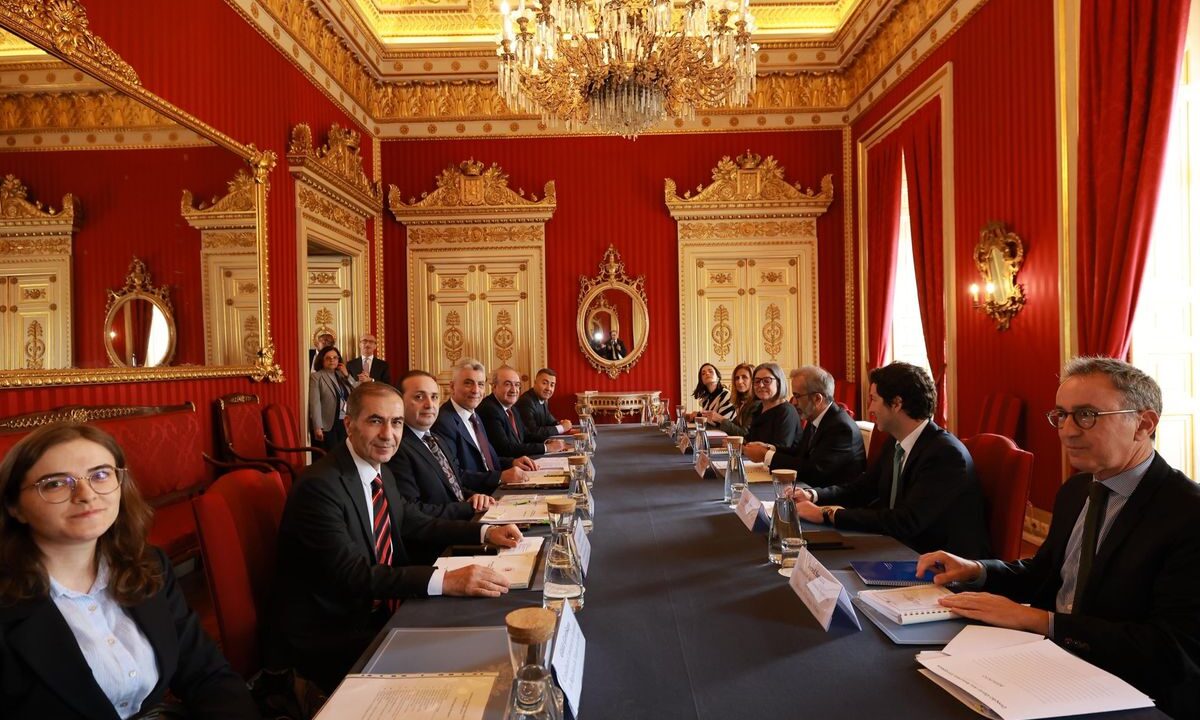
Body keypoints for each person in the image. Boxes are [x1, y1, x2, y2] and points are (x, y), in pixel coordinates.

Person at [917, 357, 1200, 718]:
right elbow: (1047, 573)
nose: (1067, 431)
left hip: (1135, 693)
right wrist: (977, 570)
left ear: (1143, 424)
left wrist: (1040, 621)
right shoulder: (1076, 490)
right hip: (1051, 663)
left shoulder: (1188, 513)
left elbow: (1173, 650)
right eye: (1061, 415)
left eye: (1087, 415)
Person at [268, 382, 524, 692]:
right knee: (472, 662)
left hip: (379, 607)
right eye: (376, 421)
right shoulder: (320, 486)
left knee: (490, 630)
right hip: (336, 629)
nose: (388, 434)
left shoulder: (378, 468)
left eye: (397, 422)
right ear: (349, 425)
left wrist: (485, 532)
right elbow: (353, 575)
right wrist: (445, 580)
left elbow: (413, 522)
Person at [0, 423, 257, 719]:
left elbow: (207, 674)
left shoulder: (149, 565)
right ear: (14, 506)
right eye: (56, 483)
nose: (86, 494)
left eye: (100, 475)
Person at [792, 361, 990, 557]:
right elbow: (863, 488)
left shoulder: (945, 454)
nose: (870, 408)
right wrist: (813, 496)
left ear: (896, 403)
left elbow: (905, 521)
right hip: (894, 545)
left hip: (931, 560)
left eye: (873, 399)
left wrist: (828, 514)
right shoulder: (895, 441)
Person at [388, 369, 496, 523]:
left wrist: (475, 498)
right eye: (419, 397)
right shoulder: (397, 448)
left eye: (434, 397)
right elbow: (413, 511)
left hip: (463, 522)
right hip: (442, 533)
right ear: (399, 401)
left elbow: (454, 486)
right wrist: (468, 508)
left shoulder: (436, 439)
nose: (429, 405)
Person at [744, 364, 865, 487]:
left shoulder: (841, 428)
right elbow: (800, 454)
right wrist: (769, 449)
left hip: (830, 495)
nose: (794, 402)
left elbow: (815, 471)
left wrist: (766, 455)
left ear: (817, 399)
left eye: (797, 396)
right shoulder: (815, 418)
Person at [432, 358, 535, 493]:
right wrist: (500, 477)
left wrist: (512, 462)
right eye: (468, 383)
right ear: (452, 387)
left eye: (480, 384)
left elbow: (485, 460)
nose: (476, 390)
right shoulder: (444, 421)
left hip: (494, 489)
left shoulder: (474, 416)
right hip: (477, 496)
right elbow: (454, 475)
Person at [478, 366, 567, 458]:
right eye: (507, 384)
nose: (514, 390)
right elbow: (505, 449)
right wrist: (546, 448)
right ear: (494, 387)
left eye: (517, 385)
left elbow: (526, 435)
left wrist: (546, 442)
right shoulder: (489, 409)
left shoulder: (512, 409)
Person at [309, 345, 357, 451]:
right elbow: (315, 403)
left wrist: (347, 375)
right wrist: (317, 427)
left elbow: (358, 391)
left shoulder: (342, 375)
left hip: (344, 422)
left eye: (335, 357)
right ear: (322, 360)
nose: (332, 360)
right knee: (332, 453)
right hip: (328, 423)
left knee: (345, 452)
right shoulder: (316, 377)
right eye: (328, 358)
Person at [745, 362, 802, 448]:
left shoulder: (787, 411)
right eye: (757, 381)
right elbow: (751, 440)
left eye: (767, 381)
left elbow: (782, 448)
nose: (761, 385)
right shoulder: (759, 408)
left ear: (779, 382)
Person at [516, 368, 573, 442]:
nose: (548, 388)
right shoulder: (526, 401)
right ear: (535, 383)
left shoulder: (542, 399)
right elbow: (532, 432)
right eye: (544, 383)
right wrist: (562, 427)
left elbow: (551, 422)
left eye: (552, 385)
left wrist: (563, 424)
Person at [702, 362, 760, 436]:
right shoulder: (741, 402)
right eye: (737, 378)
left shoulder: (756, 404)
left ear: (753, 380)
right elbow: (734, 428)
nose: (739, 381)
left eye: (744, 377)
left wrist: (721, 419)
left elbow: (745, 434)